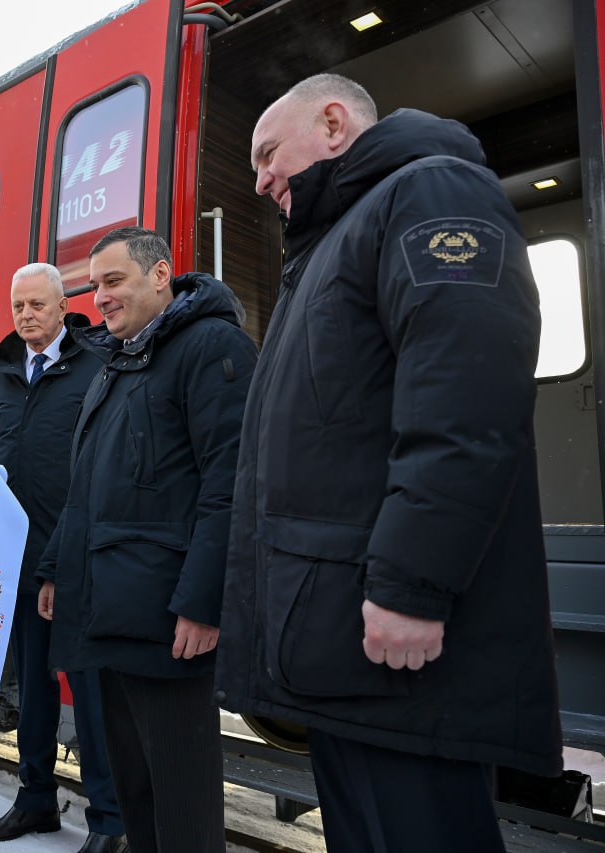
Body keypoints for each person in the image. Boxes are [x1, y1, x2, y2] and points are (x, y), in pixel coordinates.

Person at [215, 73, 561, 852]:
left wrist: (413, 583)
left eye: (267, 154)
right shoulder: (333, 241)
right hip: (345, 643)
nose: (260, 180)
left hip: (394, 642)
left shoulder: (430, 193)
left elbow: (465, 397)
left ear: (334, 124)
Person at [36, 227, 256, 853]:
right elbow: (89, 483)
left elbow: (234, 482)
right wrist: (55, 568)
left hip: (166, 615)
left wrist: (204, 601)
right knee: (136, 790)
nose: (100, 297)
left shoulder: (211, 346)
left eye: (114, 281)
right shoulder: (122, 359)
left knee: (181, 798)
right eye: (94, 286)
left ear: (161, 275)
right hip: (112, 606)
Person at [0, 264, 124, 852]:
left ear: (63, 307)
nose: (27, 315)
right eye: (18, 306)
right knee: (33, 689)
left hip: (80, 557)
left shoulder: (97, 363)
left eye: (37, 304)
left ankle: (109, 819)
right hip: (20, 560)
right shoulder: (3, 376)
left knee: (89, 692)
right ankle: (35, 800)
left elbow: (107, 458)